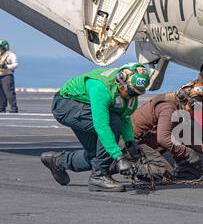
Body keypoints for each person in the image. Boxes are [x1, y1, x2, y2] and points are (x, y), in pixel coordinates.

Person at [40, 63, 150, 192]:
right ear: (121, 79)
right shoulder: (101, 87)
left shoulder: (130, 95)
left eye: (137, 93)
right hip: (65, 105)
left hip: (82, 107)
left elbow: (125, 117)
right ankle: (99, 176)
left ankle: (58, 162)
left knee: (97, 155)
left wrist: (130, 142)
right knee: (112, 123)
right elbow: (102, 126)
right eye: (130, 91)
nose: (131, 96)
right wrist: (119, 157)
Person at [132, 83, 203, 180]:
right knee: (165, 171)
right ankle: (130, 167)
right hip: (132, 143)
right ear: (183, 98)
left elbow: (188, 137)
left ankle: (183, 170)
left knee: (194, 171)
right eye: (194, 104)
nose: (197, 108)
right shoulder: (169, 108)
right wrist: (188, 152)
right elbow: (163, 139)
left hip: (146, 142)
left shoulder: (182, 110)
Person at [0, 40, 19, 113]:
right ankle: (2, 107)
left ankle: (13, 107)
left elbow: (16, 64)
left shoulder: (10, 55)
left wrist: (6, 66)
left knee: (9, 92)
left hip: (7, 76)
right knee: (0, 93)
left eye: (1, 47)